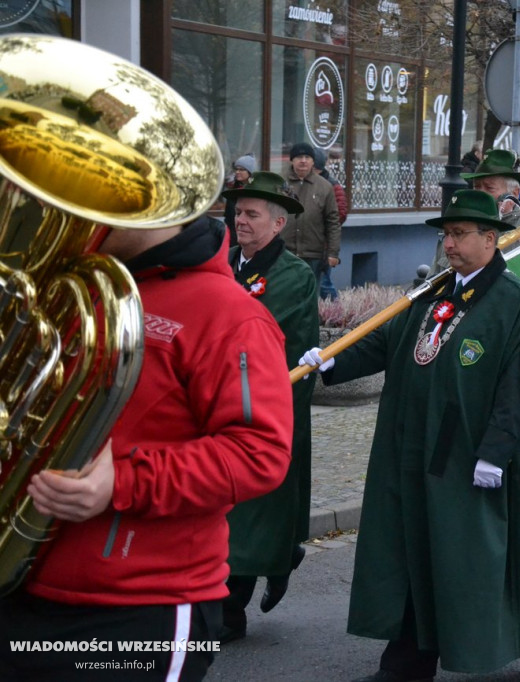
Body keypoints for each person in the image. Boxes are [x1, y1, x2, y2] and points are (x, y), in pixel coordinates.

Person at [300, 189, 520, 681]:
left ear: (490, 239)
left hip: (468, 455)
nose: (448, 244)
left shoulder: (516, 303)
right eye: (446, 234)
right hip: (412, 447)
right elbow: (387, 344)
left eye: (459, 234)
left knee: (482, 557)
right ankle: (407, 660)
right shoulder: (429, 295)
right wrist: (334, 360)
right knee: (411, 549)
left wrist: (495, 452)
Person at [0, 214, 294, 680]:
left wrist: (124, 479)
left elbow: (260, 453)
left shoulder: (231, 313)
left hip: (140, 607)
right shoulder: (70, 285)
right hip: (21, 585)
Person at [218, 173, 319, 642]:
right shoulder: (223, 263)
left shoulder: (293, 276)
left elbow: (250, 333)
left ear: (277, 224)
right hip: (221, 404)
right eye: (238, 212)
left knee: (254, 510)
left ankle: (232, 608)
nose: (241, 220)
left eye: (251, 214)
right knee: (230, 510)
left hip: (268, 409)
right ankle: (276, 559)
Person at [281, 141, 341, 287]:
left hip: (312, 254)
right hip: (283, 252)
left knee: (310, 296)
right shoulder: (280, 184)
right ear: (292, 160)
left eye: (307, 157)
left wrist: (333, 253)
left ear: (313, 161)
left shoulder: (324, 187)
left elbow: (333, 221)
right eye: (299, 157)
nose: (303, 161)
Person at [313, 148, 349, 300]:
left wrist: (320, 223)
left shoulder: (331, 185)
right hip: (308, 242)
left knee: (324, 283)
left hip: (323, 242)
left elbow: (340, 213)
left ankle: (335, 314)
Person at [222, 154, 256, 246]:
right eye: (236, 169)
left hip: (250, 240)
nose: (237, 172)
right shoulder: (233, 191)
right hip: (232, 240)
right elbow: (228, 218)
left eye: (241, 169)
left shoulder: (256, 192)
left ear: (250, 172)